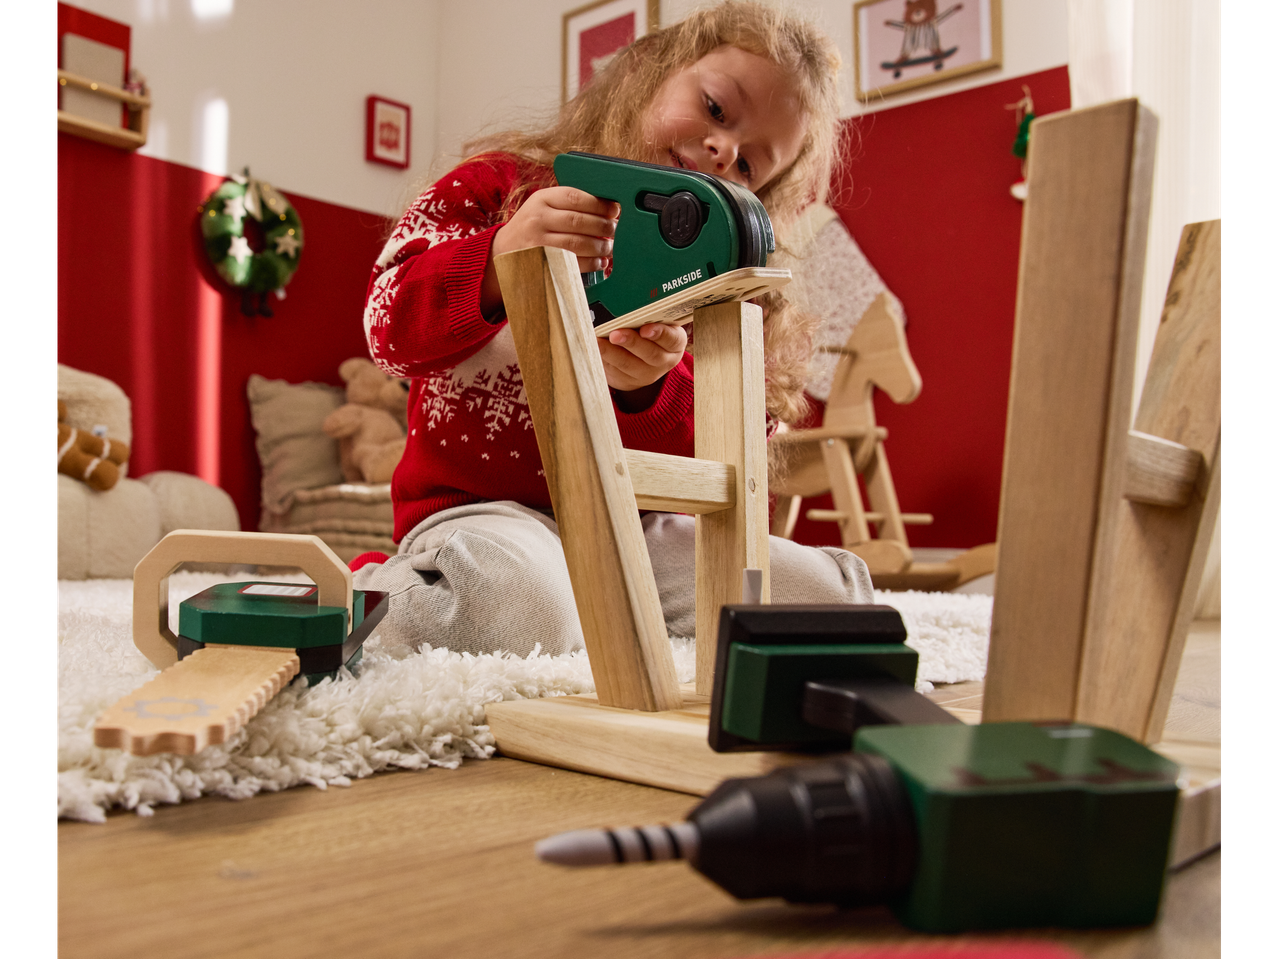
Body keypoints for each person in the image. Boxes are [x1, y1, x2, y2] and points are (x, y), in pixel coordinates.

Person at [354, 1, 874, 658]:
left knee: (831, 601)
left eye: (748, 166)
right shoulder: (502, 189)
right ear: (647, 76)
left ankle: (582, 613)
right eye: (716, 109)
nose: (723, 149)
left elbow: (739, 451)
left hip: (637, 528)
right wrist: (496, 257)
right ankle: (373, 594)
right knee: (518, 603)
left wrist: (646, 392)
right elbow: (386, 330)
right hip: (483, 516)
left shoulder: (722, 271)